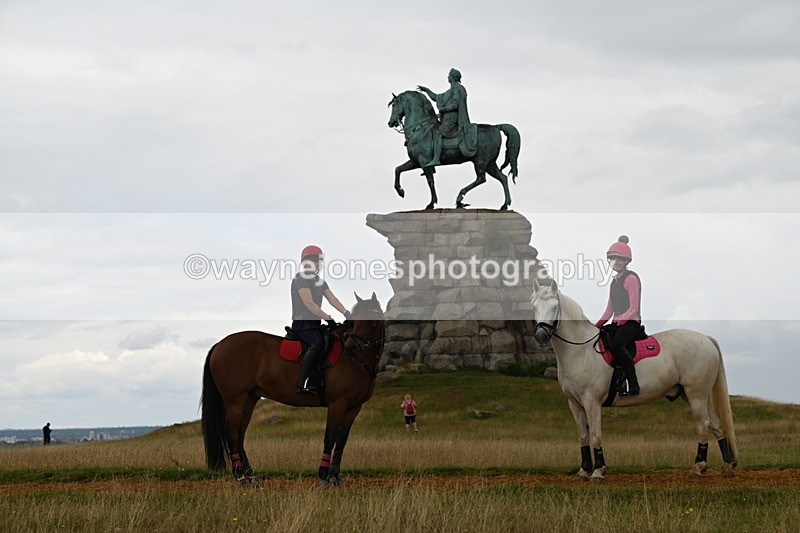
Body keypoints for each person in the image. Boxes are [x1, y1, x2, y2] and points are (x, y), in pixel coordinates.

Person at [291, 245, 350, 394]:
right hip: (302, 323)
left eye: (319, 261)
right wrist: (328, 318)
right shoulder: (301, 279)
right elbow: (309, 304)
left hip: (315, 323)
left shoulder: (320, 282)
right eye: (315, 260)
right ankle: (303, 383)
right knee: (318, 343)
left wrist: (346, 312)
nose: (318, 264)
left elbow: (333, 299)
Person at [595, 235, 642, 396]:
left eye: (620, 259)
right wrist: (596, 326)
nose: (616, 263)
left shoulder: (631, 279)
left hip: (631, 323)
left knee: (616, 345)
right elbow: (609, 310)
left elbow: (634, 308)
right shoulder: (613, 282)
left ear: (626, 261)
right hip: (617, 323)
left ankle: (633, 385)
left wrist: (621, 321)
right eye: (613, 259)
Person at [417, 68, 477, 166]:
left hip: (453, 119)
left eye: (449, 75)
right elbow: (436, 98)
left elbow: (455, 104)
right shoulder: (450, 91)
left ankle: (436, 159)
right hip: (447, 119)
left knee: (437, 133)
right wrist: (427, 90)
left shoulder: (458, 89)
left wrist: (443, 109)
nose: (447, 77)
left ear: (453, 77)